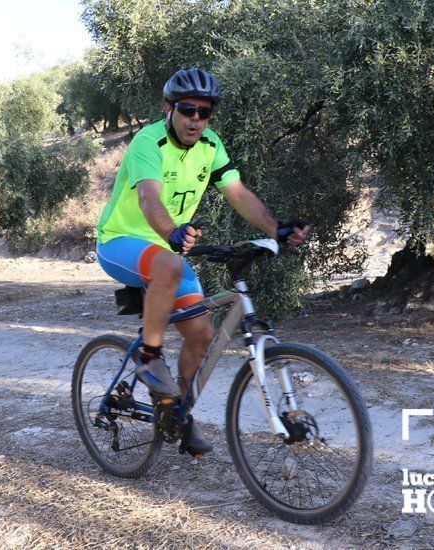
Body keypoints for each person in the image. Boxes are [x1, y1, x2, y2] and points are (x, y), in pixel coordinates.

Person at [95, 68, 309, 454]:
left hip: (165, 249)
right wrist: (172, 233)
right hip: (121, 241)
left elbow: (239, 194)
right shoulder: (149, 142)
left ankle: (176, 411)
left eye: (204, 112)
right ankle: (149, 358)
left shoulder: (211, 146)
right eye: (187, 109)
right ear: (169, 108)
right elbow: (148, 198)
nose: (195, 119)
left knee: (201, 334)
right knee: (171, 266)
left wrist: (275, 228)